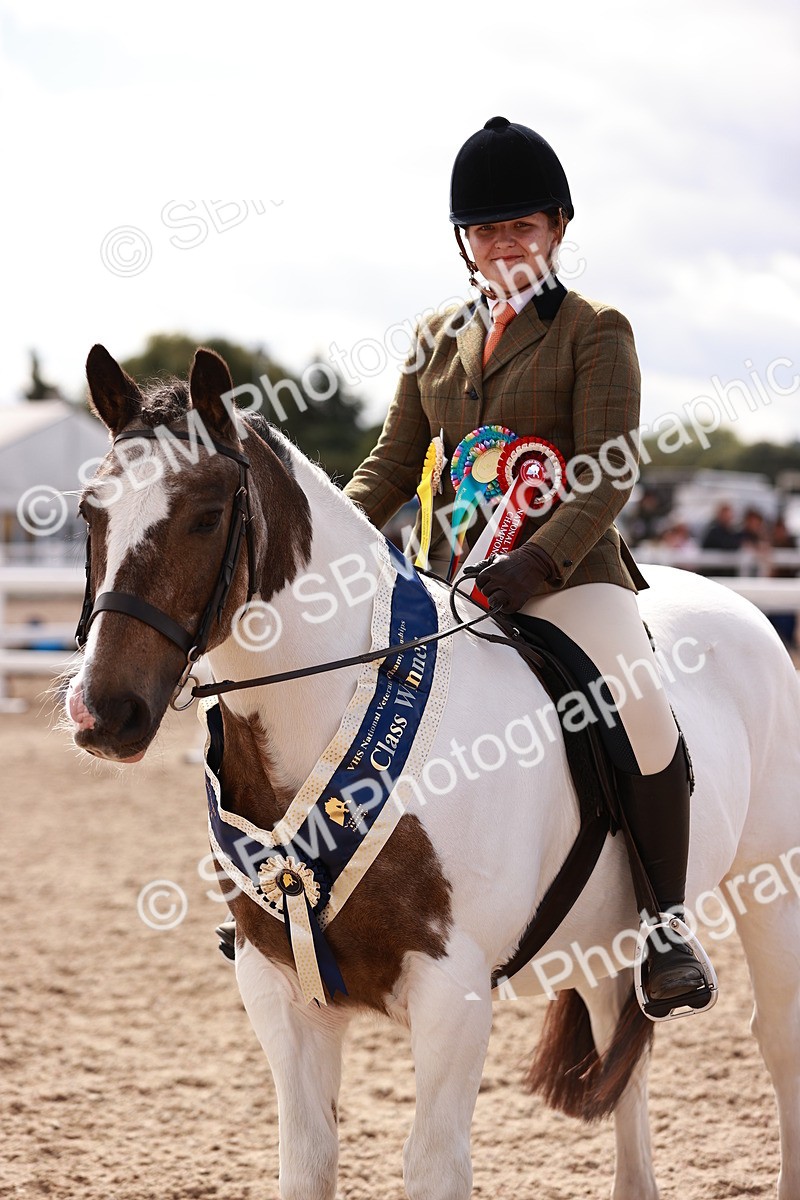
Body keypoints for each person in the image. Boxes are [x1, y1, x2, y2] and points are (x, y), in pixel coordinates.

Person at [344, 116, 714, 1013]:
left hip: (571, 578)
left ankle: (665, 929)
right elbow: (394, 463)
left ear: (556, 228)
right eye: (485, 230)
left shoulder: (594, 329)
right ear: (465, 242)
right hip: (449, 580)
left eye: (520, 226)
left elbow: (608, 468)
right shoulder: (435, 336)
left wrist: (540, 564)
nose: (502, 242)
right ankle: (299, 894)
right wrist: (333, 541)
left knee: (641, 709)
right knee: (340, 693)